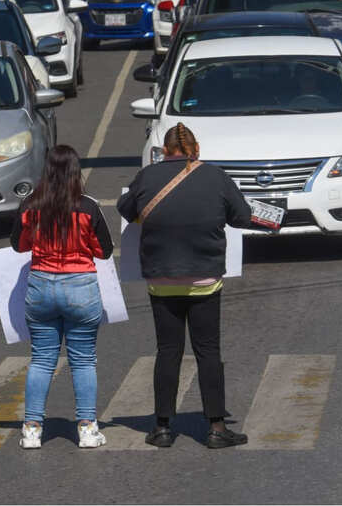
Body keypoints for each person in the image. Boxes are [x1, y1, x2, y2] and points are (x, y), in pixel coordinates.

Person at [116, 123, 252, 449]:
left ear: (165, 151)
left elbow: (125, 208)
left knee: (168, 351)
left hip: (161, 281)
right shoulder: (216, 177)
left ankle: (162, 428)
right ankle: (217, 427)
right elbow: (242, 217)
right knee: (208, 351)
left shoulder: (147, 177)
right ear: (197, 150)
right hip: (204, 280)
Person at [10, 145, 114, 449]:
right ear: (74, 172)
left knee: (42, 359)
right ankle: (87, 428)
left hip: (41, 286)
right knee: (83, 360)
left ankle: (31, 429)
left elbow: (19, 245)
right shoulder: (89, 206)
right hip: (80, 287)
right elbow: (104, 250)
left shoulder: (30, 205)